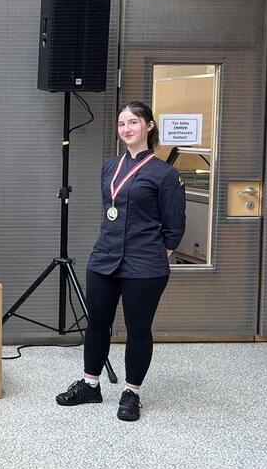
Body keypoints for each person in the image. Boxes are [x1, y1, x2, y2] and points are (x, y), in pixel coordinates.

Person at [55, 101, 185, 422]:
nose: (126, 129)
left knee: (138, 329)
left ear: (149, 126)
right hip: (105, 257)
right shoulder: (110, 166)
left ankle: (131, 392)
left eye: (133, 122)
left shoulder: (165, 174)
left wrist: (158, 255)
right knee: (97, 323)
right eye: (121, 124)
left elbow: (174, 226)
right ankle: (90, 385)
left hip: (145, 264)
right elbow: (111, 211)